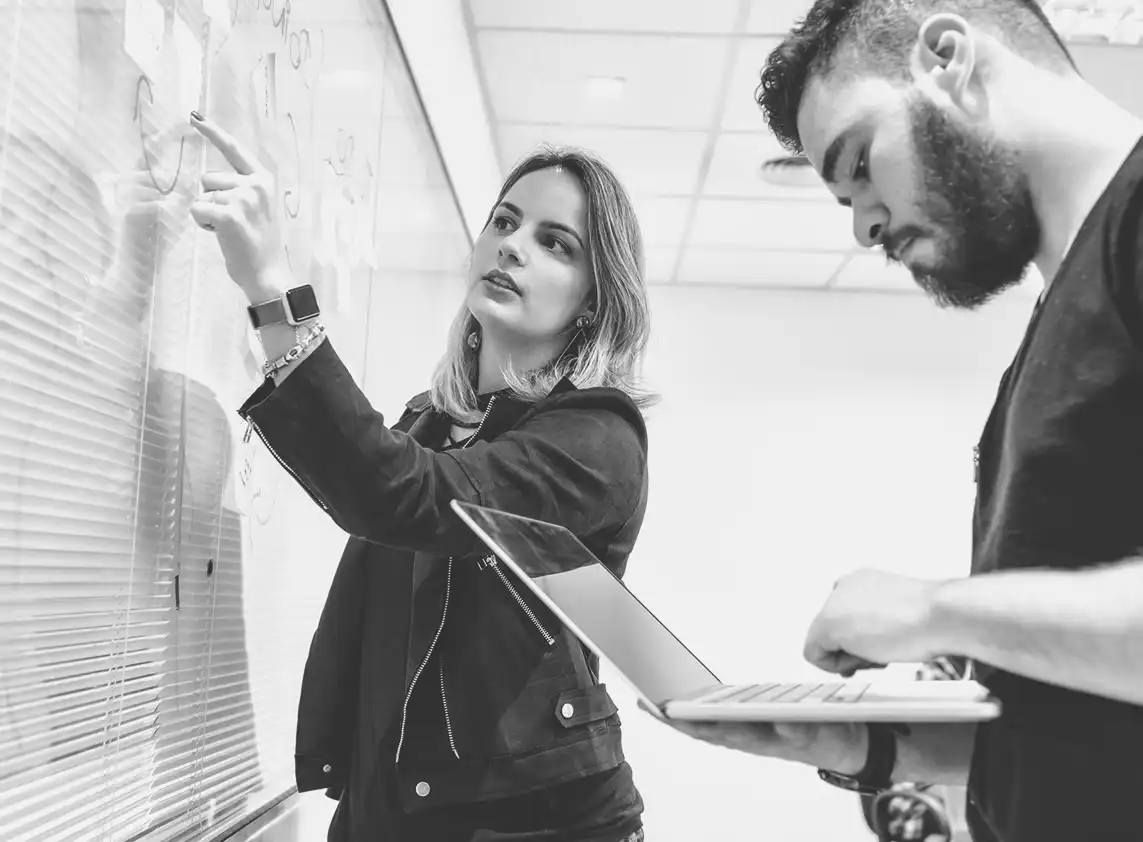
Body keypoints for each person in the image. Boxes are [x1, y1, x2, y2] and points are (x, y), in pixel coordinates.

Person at [656, 2, 1143, 841]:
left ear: (946, 57)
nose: (864, 226)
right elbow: (1085, 732)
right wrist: (869, 749)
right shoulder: (1054, 322)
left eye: (858, 164)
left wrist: (931, 611)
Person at [187, 111, 655, 842]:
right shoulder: (431, 421)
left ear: (594, 298)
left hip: (537, 821)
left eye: (555, 243)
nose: (512, 245)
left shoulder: (598, 438)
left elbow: (404, 493)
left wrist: (272, 287)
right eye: (505, 222)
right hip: (395, 802)